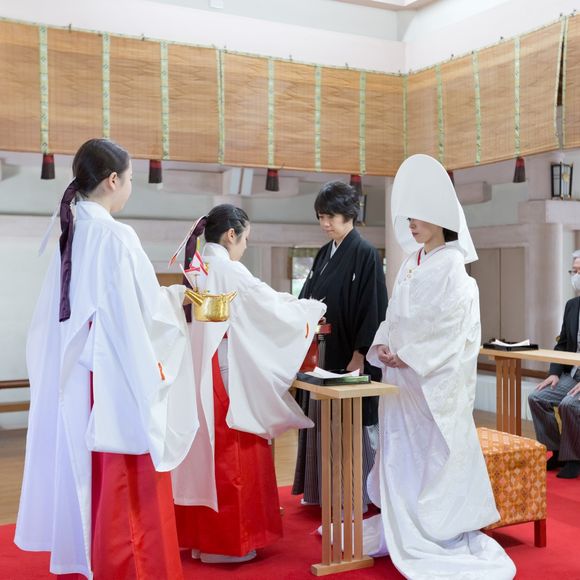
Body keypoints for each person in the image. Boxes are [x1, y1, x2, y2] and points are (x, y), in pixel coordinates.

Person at [14, 139, 198, 579]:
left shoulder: (73, 230)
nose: (130, 187)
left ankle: (97, 562)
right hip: (116, 375)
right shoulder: (116, 235)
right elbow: (140, 314)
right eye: (130, 179)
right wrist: (175, 301)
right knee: (130, 485)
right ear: (113, 180)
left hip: (82, 378)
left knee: (94, 482)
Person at [362, 154, 516, 579]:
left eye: (419, 216)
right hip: (400, 379)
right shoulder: (410, 264)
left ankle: (433, 528)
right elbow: (394, 316)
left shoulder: (455, 270)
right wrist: (385, 345)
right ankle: (401, 520)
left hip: (429, 382)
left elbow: (452, 328)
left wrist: (411, 354)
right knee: (399, 451)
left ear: (441, 218)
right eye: (409, 216)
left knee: (428, 455)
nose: (411, 224)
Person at [171, 204, 326, 564]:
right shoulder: (228, 268)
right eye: (244, 239)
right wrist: (309, 310)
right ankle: (228, 544)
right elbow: (268, 305)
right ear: (231, 235)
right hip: (227, 372)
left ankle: (202, 540)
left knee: (205, 454)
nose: (244, 246)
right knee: (235, 451)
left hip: (200, 367)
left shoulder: (197, 265)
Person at [292, 181, 388, 507]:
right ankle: (323, 491)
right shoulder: (324, 253)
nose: (325, 223)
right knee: (322, 420)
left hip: (349, 354)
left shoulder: (365, 254)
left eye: (330, 216)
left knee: (350, 423)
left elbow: (373, 308)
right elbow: (306, 299)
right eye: (321, 217)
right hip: (321, 352)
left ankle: (360, 494)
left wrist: (360, 353)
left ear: (349, 214)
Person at [528, 250, 580, 479]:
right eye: (573, 271)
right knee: (537, 398)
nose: (575, 276)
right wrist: (555, 372)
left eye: (579, 271)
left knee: (569, 404)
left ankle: (574, 458)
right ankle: (557, 451)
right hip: (572, 374)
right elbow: (563, 343)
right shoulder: (572, 305)